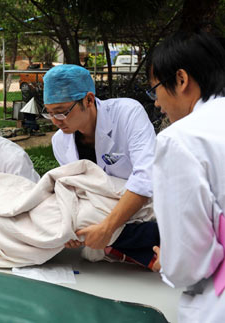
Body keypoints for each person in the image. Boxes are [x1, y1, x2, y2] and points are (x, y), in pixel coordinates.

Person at [43, 64, 159, 270]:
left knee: (164, 229)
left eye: (61, 112)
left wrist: (107, 228)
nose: (55, 121)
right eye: (49, 113)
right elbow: (77, 188)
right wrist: (70, 227)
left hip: (143, 209)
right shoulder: (60, 142)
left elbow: (146, 178)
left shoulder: (127, 114)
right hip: (101, 210)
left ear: (88, 100)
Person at [148, 31, 225, 322]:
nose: (156, 102)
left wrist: (166, 260)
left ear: (181, 80)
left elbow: (188, 264)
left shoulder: (182, 139)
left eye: (154, 88)